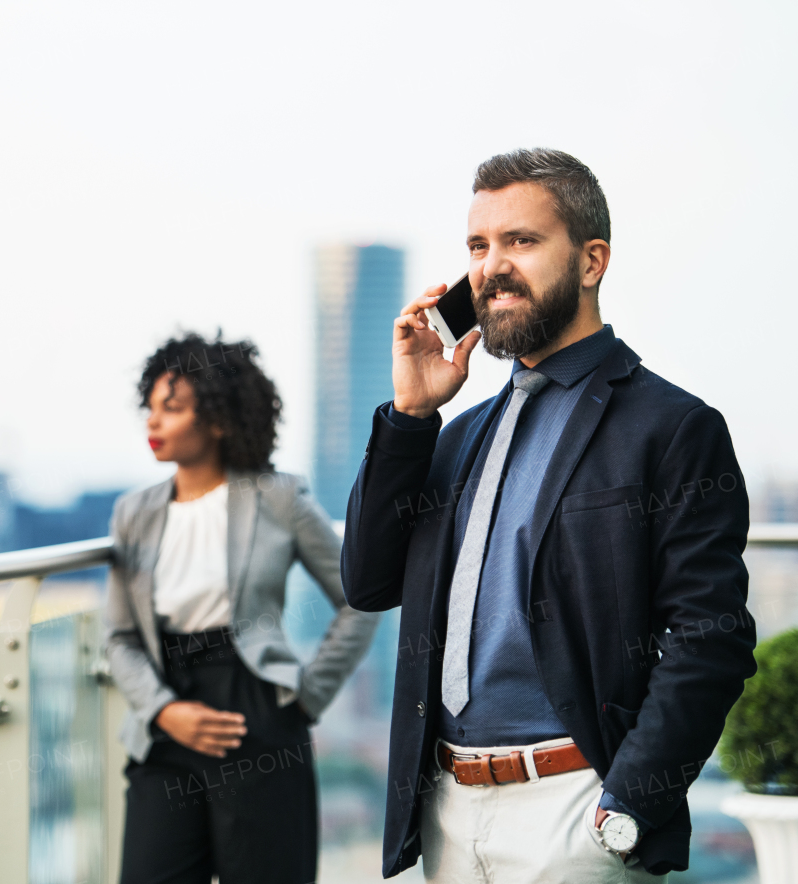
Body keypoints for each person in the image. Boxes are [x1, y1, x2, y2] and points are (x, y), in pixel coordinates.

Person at [341, 149, 756, 882]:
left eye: (521, 242)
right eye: (479, 246)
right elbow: (369, 581)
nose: (492, 267)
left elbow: (708, 638)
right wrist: (411, 415)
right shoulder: (461, 434)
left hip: (574, 808)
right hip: (446, 808)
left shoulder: (671, 426)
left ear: (591, 261)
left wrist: (627, 802)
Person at [106, 331, 380, 884]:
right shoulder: (133, 513)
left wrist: (306, 698)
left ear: (221, 420)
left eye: (173, 409)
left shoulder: (277, 498)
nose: (152, 424)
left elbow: (360, 599)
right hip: (166, 719)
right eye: (151, 408)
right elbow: (120, 638)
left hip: (256, 712)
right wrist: (162, 710)